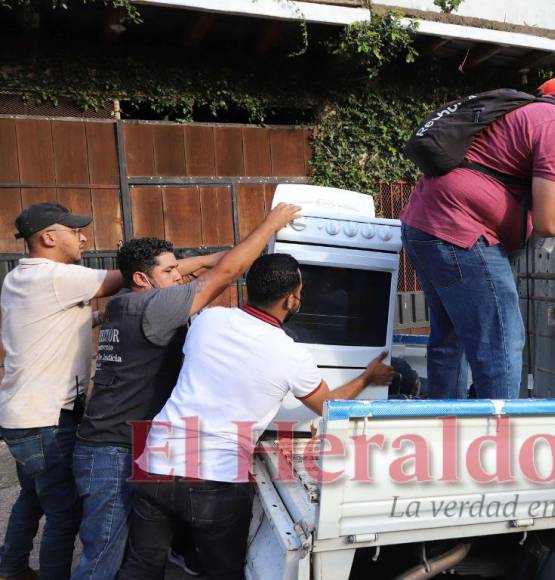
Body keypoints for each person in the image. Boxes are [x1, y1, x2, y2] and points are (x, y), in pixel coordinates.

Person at [118, 253, 395, 580]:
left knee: (140, 569)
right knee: (223, 571)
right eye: (300, 292)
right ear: (291, 299)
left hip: (156, 464)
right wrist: (367, 378)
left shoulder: (208, 319)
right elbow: (329, 407)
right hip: (215, 480)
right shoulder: (292, 355)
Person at [71, 202, 300, 580]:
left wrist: (204, 258)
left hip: (111, 444)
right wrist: (271, 224)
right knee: (101, 565)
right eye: (170, 270)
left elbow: (203, 267)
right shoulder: (152, 306)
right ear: (143, 280)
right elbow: (226, 274)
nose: (181, 276)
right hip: (114, 451)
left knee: (134, 561)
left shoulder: (123, 303)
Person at [400, 61, 555, 400]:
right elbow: (551, 221)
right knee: (501, 342)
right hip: (463, 231)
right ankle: (499, 441)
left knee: (449, 340)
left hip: (425, 223)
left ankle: (445, 430)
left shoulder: (536, 111)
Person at [0, 203, 125, 580]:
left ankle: (11, 567)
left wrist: (98, 317)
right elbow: (139, 274)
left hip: (20, 414)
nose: (83, 236)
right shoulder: (56, 277)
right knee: (64, 510)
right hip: (46, 420)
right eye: (74, 230)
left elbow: (51, 321)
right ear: (48, 238)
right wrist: (211, 263)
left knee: (34, 497)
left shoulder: (18, 278)